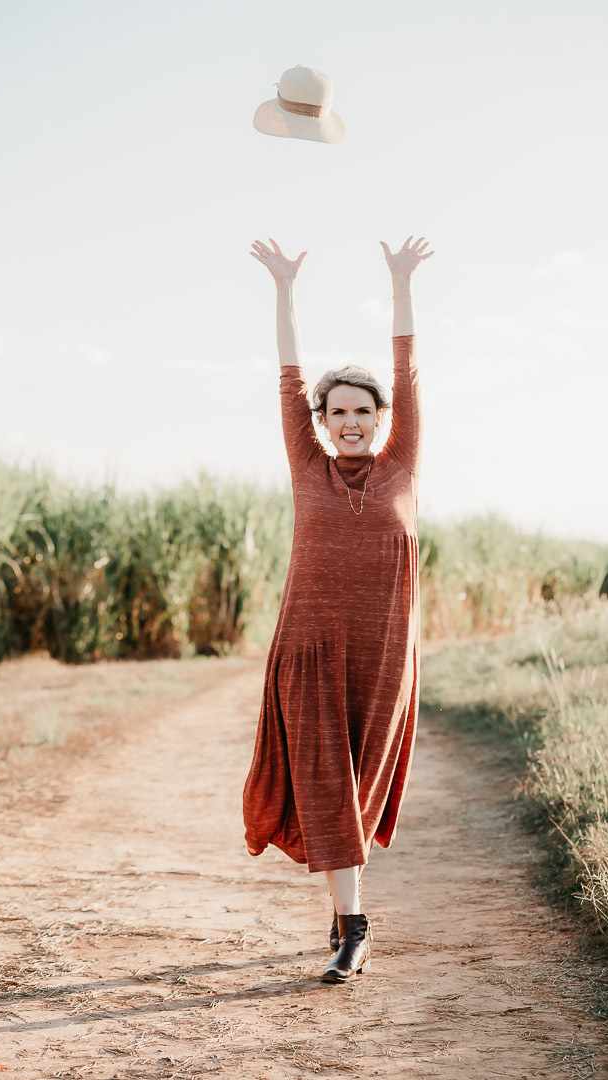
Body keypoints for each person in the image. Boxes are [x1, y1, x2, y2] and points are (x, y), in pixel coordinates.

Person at [243, 234, 433, 983]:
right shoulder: (307, 464)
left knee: (354, 785)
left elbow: (409, 374)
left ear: (381, 416)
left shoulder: (403, 464)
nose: (350, 421)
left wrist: (400, 283)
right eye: (337, 411)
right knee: (326, 779)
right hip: (310, 649)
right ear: (321, 421)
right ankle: (355, 927)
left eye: (362, 410)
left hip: (383, 655)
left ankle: (342, 909)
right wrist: (284, 289)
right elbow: (287, 378)